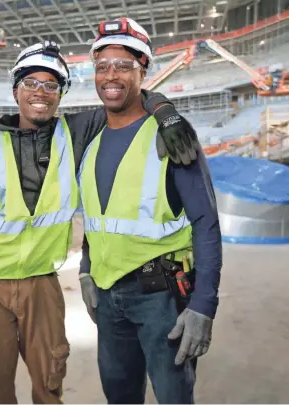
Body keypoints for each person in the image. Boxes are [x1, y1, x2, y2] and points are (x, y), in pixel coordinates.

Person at [0, 39, 200, 404]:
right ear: (15, 89)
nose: (40, 93)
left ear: (60, 94)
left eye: (51, 85)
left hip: (43, 285)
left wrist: (166, 112)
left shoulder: (76, 132)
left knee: (49, 382)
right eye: (31, 83)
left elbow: (125, 93)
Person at [77, 18, 223, 404]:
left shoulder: (169, 134)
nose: (111, 75)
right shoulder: (89, 140)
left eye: (124, 65)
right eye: (102, 66)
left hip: (162, 298)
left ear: (143, 70)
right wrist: (85, 269)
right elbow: (97, 219)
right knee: (120, 397)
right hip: (108, 299)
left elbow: (206, 222)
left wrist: (203, 305)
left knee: (174, 397)